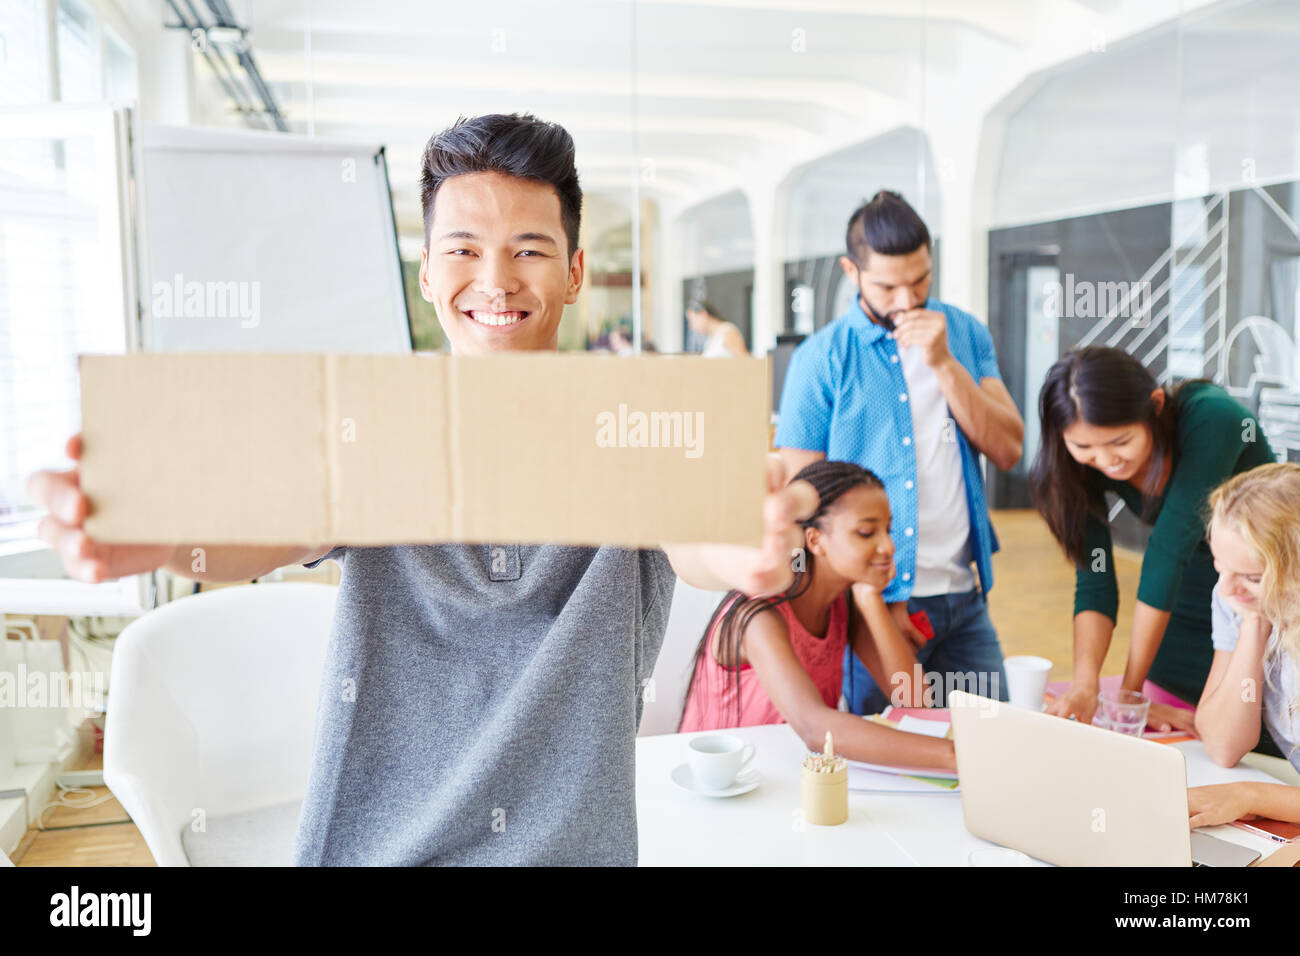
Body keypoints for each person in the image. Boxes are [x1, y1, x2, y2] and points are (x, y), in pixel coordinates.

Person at [25, 113, 819, 866]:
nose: (496, 281)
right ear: (431, 272)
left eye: (530, 250)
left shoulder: (636, 424)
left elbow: (699, 533)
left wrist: (743, 538)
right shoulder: (377, 420)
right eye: (464, 249)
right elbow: (287, 518)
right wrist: (168, 532)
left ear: (575, 273)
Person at [775, 190, 1024, 713]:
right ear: (852, 271)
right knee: (888, 757)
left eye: (920, 281)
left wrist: (944, 364)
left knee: (994, 746)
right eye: (888, 286)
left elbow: (1008, 448)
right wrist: (864, 597)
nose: (907, 301)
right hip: (873, 603)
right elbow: (803, 498)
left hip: (964, 596)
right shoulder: (820, 359)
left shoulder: (964, 332)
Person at [1030, 346, 1276, 737]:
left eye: (1120, 441)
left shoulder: (1214, 419)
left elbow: (1167, 552)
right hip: (1183, 598)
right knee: (1184, 722)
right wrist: (1086, 684)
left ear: (1155, 405)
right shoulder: (1077, 467)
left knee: (1255, 719)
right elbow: (1095, 579)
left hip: (1261, 591)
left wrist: (1128, 696)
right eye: (1084, 447)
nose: (1106, 459)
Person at [678, 460, 955, 771]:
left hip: (795, 774)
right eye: (866, 532)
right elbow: (814, 728)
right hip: (727, 782)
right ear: (814, 540)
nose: (888, 546)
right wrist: (956, 756)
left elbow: (914, 699)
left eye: (887, 530)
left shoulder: (844, 601)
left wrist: (870, 599)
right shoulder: (758, 614)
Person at [1187, 463, 1300, 827]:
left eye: (1252, 577)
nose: (1226, 590)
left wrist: (1251, 795)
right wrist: (1254, 622)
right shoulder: (1237, 601)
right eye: (1220, 567)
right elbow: (1223, 744)